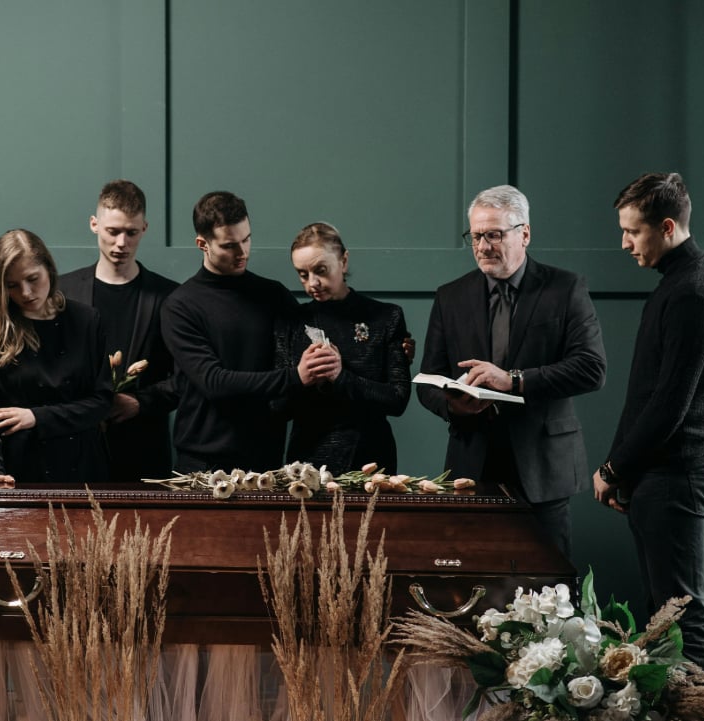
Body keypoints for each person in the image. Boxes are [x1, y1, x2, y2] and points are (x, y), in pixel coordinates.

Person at [593, 172, 704, 678]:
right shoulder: (679, 285)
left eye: (633, 231)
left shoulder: (695, 294)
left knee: (684, 614)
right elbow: (646, 395)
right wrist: (625, 471)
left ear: (669, 226)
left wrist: (613, 468)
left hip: (679, 475)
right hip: (662, 474)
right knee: (664, 616)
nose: (625, 243)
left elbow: (669, 407)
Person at [417, 185, 606, 559]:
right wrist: (455, 405)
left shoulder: (566, 288)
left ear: (525, 233)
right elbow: (428, 381)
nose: (484, 246)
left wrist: (514, 380)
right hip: (472, 463)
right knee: (476, 586)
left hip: (543, 466)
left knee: (552, 591)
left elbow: (591, 368)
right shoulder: (450, 296)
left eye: (494, 234)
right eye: (476, 236)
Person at [161, 191, 338, 472]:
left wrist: (389, 343)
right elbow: (213, 382)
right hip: (202, 461)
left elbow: (323, 332)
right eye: (230, 245)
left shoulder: (273, 294)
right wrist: (295, 377)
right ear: (202, 244)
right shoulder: (180, 306)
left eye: (246, 239)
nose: (243, 252)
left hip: (266, 458)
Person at [0, 229, 112, 487]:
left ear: (49, 270)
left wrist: (37, 417)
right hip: (18, 469)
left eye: (33, 279)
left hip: (82, 467)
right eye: (12, 285)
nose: (25, 292)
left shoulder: (87, 320)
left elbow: (101, 402)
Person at [60, 180, 179, 482]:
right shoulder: (64, 291)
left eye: (131, 232)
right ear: (94, 224)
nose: (122, 243)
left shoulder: (169, 296)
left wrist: (141, 403)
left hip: (145, 452)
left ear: (145, 228)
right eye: (113, 232)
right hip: (75, 451)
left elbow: (186, 378)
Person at [276, 222, 411, 473]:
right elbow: (278, 407)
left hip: (371, 461)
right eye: (303, 274)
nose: (311, 283)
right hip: (307, 464)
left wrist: (341, 377)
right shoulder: (291, 322)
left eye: (321, 270)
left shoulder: (386, 317)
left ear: (344, 262)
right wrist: (300, 377)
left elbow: (397, 400)